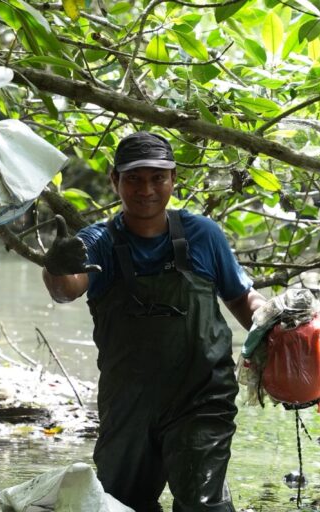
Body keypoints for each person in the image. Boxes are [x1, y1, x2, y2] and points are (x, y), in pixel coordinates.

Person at [42, 131, 265, 512]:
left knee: (203, 503)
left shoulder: (204, 235)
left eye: (157, 178)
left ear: (173, 180)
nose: (146, 189)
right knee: (118, 504)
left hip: (202, 396)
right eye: (134, 178)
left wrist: (273, 322)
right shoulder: (97, 242)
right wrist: (57, 265)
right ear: (115, 181)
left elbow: (243, 298)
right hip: (128, 403)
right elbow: (67, 290)